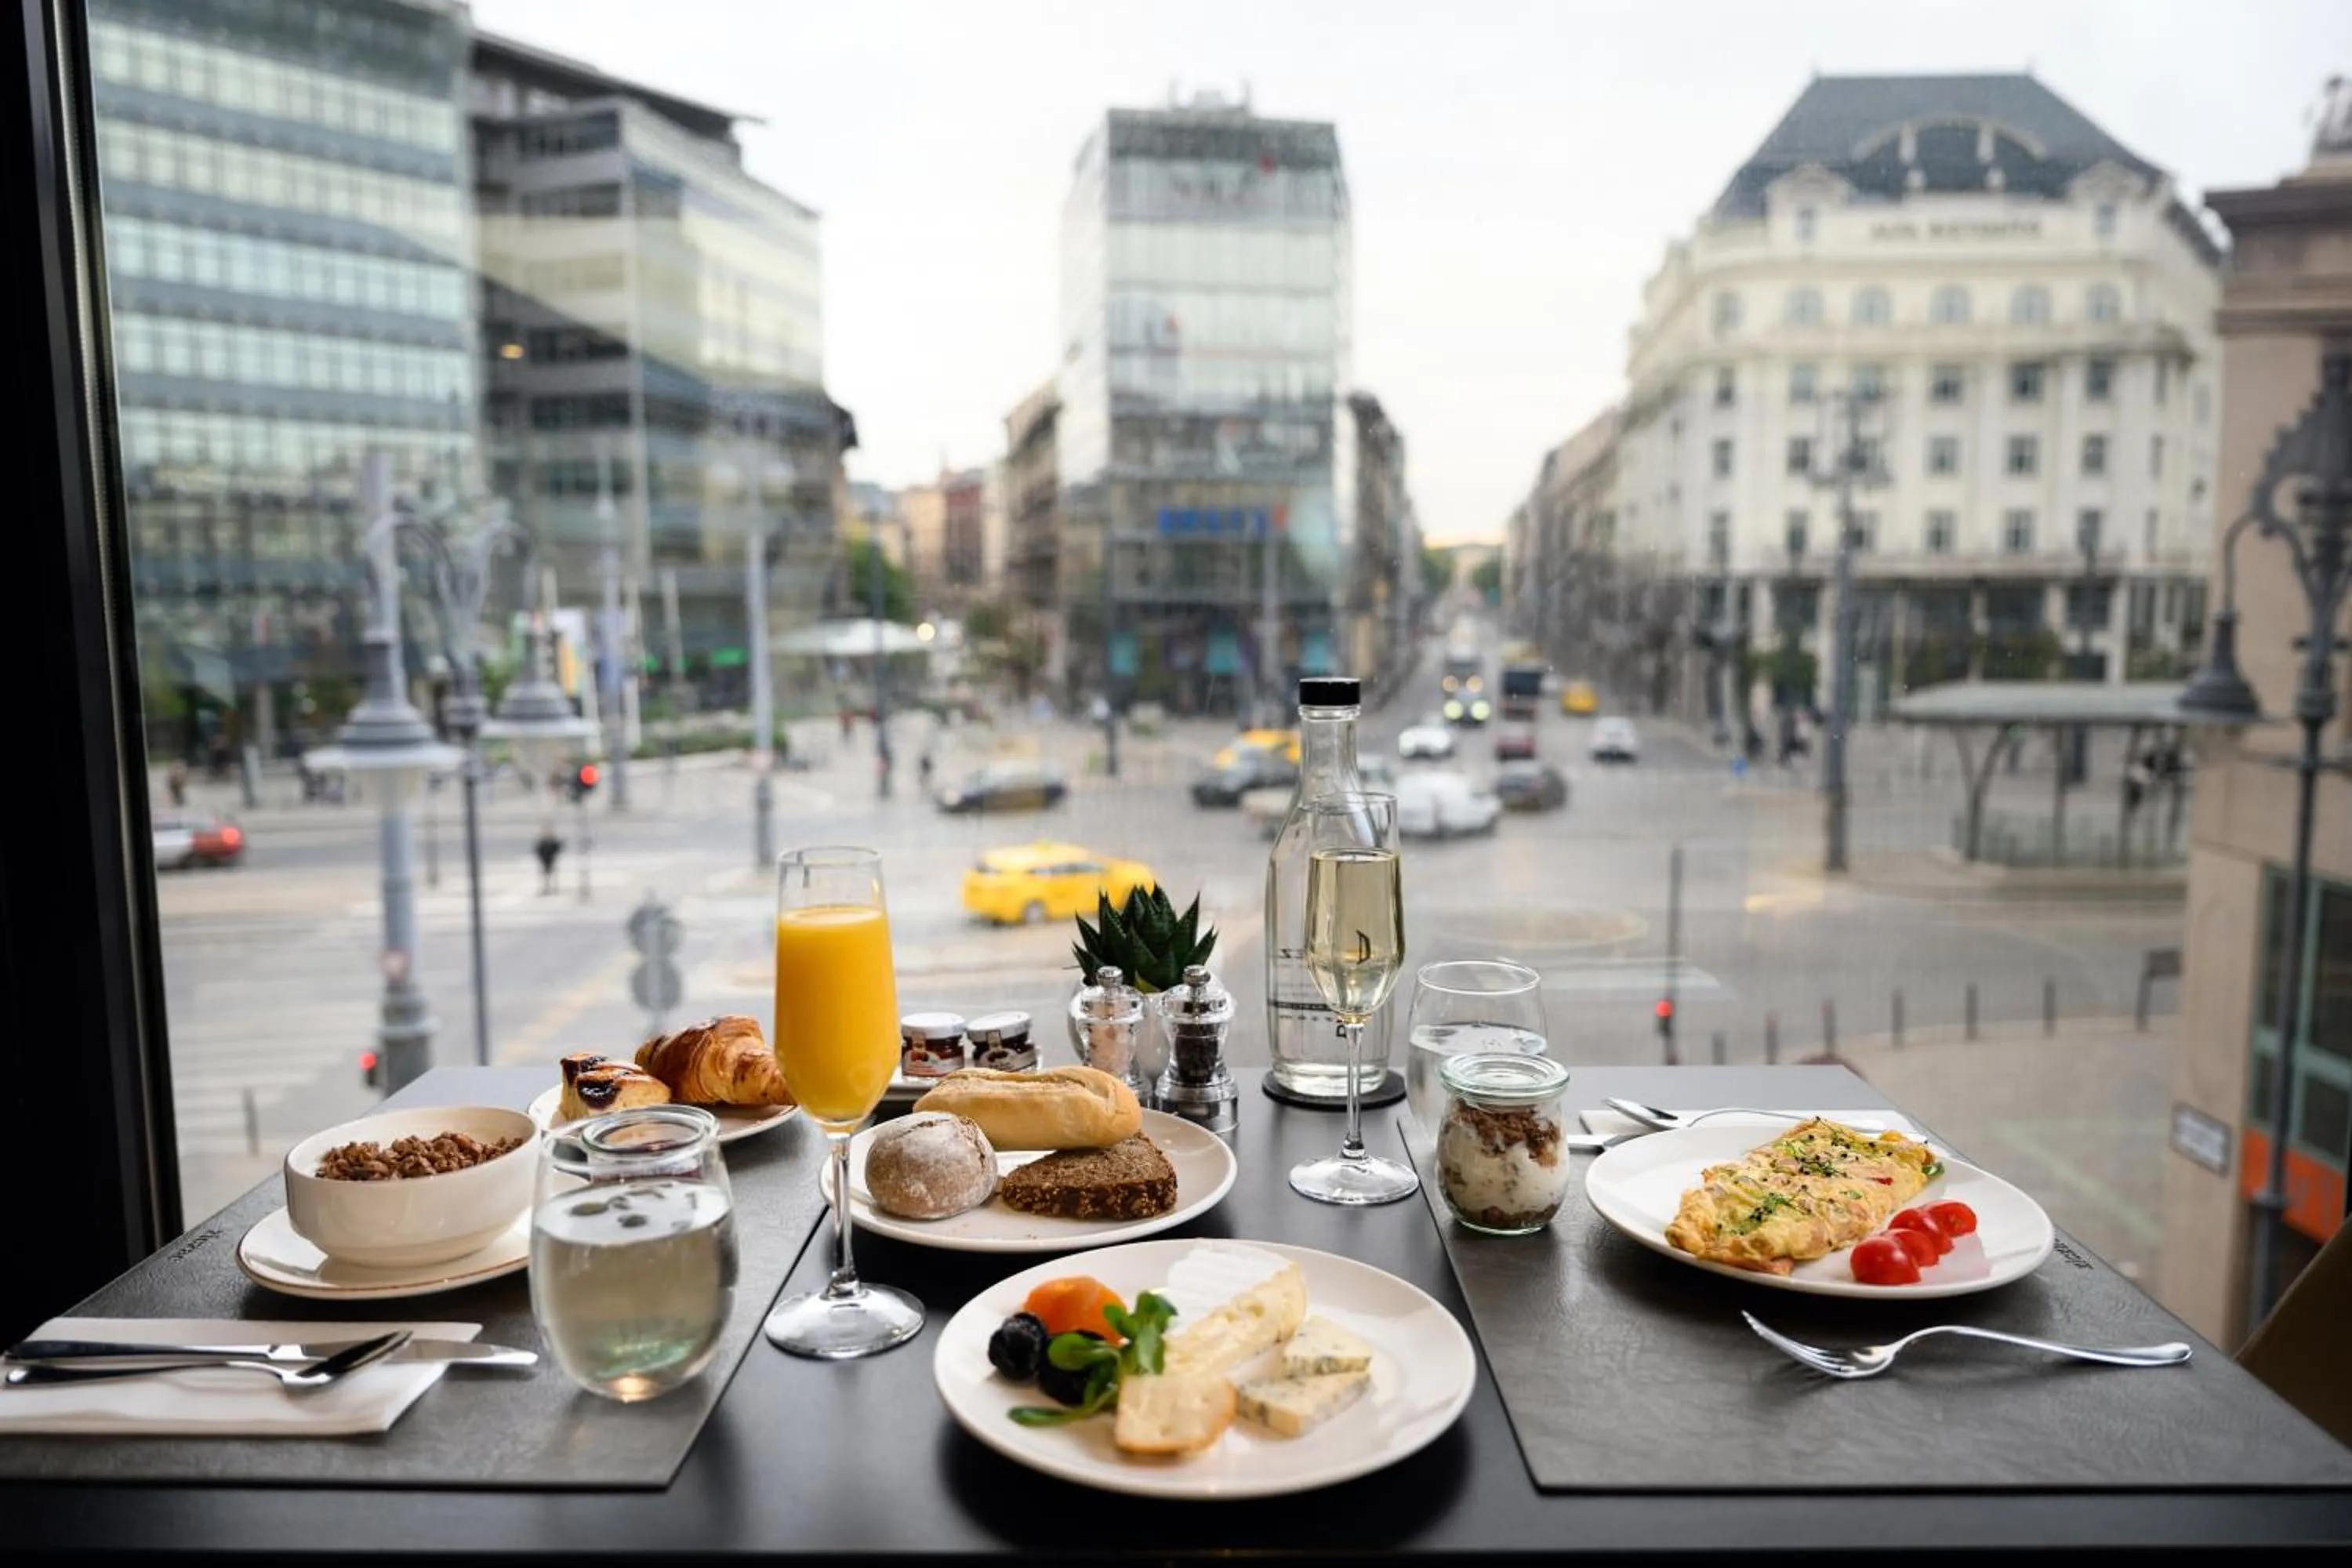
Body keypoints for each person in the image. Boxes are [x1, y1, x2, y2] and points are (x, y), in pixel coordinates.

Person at [534, 826, 563, 895]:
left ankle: (553, 889)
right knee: (545, 877)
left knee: (552, 876)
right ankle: (546, 889)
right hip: (544, 861)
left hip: (552, 861)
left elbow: (557, 850)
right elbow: (539, 851)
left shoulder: (553, 843)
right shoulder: (542, 843)